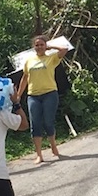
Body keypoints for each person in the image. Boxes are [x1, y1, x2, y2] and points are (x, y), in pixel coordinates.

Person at [18, 35, 68, 164]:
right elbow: (25, 78)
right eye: (37, 45)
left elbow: (64, 49)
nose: (39, 47)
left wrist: (50, 46)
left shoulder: (51, 58)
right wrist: (18, 95)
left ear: (45, 46)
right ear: (33, 47)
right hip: (33, 95)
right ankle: (39, 154)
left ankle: (53, 147)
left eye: (41, 44)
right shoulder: (29, 60)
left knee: (48, 122)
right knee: (35, 124)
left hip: (49, 94)